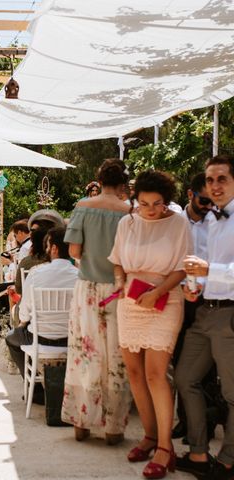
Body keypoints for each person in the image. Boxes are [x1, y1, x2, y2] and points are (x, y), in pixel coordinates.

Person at [109, 170, 192, 479]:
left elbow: (183, 267)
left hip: (165, 298)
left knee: (156, 374)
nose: (150, 210)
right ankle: (149, 435)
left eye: (157, 204)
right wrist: (119, 281)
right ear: (135, 199)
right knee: (134, 372)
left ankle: (165, 448)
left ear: (166, 201)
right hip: (130, 299)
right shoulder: (126, 222)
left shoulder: (179, 223)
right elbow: (117, 260)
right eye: (144, 203)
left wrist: (158, 291)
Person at [61, 159, 133, 445]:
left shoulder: (83, 207)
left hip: (87, 288)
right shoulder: (130, 213)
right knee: (116, 355)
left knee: (84, 352)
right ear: (122, 184)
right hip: (119, 289)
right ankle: (114, 427)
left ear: (99, 179)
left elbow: (74, 250)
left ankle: (82, 421)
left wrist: (89, 259)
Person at [176, 154, 234, 480]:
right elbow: (204, 266)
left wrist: (209, 270)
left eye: (222, 179)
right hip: (205, 311)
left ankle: (227, 461)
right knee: (185, 378)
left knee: (233, 394)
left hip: (230, 316)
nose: (214, 186)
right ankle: (198, 454)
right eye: (210, 180)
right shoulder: (213, 219)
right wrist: (193, 285)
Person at [171, 172, 215, 441]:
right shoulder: (175, 222)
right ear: (190, 195)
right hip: (179, 298)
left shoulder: (216, 222)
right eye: (204, 200)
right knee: (179, 360)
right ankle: (184, 421)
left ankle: (205, 425)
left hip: (208, 298)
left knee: (206, 367)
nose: (209, 206)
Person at [11, 227, 78, 364]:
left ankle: (33, 384)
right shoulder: (79, 276)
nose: (46, 250)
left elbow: (24, 313)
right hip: (71, 339)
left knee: (11, 338)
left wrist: (23, 323)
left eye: (47, 246)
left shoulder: (36, 273)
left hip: (39, 338)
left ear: (54, 248)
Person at [0, 219, 30, 338]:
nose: (15, 238)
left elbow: (20, 270)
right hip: (28, 281)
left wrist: (10, 263)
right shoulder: (30, 244)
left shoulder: (25, 247)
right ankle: (3, 323)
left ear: (20, 233)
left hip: (24, 283)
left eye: (15, 235)